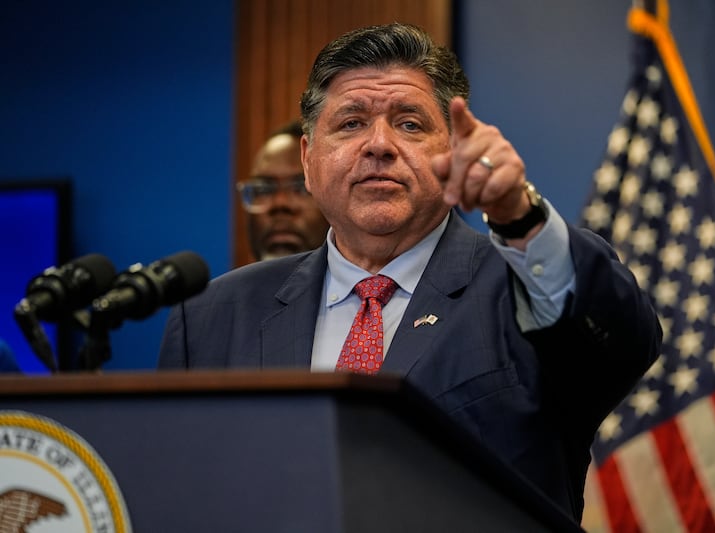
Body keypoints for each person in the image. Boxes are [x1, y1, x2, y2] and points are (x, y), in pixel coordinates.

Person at [160, 23, 661, 522]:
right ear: (309, 162)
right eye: (351, 123)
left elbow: (622, 343)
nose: (379, 145)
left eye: (410, 124)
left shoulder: (523, 286)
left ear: (454, 150)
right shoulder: (210, 317)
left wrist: (520, 216)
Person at [237, 120, 329, 261]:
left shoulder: (366, 282)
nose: (280, 203)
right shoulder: (227, 283)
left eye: (301, 188)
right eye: (264, 190)